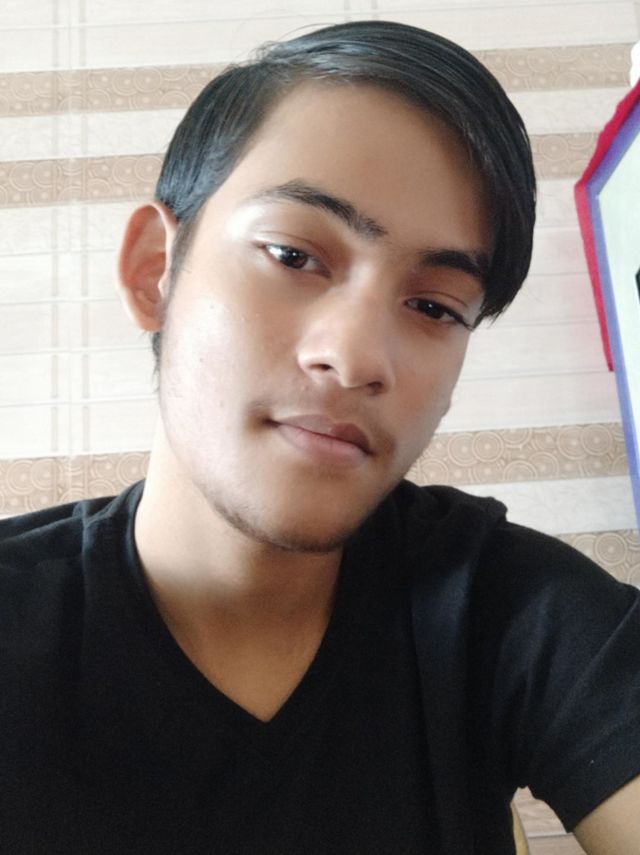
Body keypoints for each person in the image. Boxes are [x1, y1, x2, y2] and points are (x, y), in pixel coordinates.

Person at [0, 20, 638, 855]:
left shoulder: (505, 609)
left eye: (434, 306)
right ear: (156, 270)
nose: (358, 356)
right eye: (293, 255)